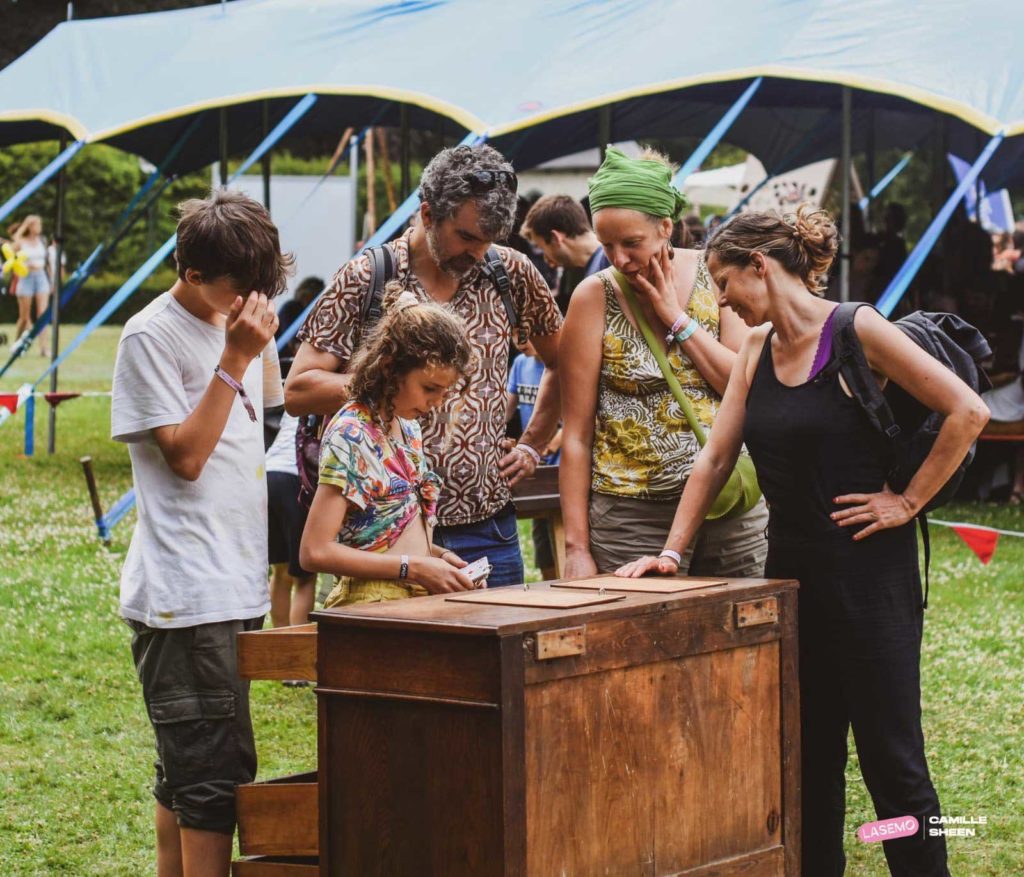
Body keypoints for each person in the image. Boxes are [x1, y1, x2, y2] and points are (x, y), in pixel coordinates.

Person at [618, 206, 989, 877]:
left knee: (894, 764)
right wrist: (671, 553)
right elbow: (716, 457)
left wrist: (906, 500)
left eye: (726, 281)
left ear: (761, 264)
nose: (721, 298)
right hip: (791, 579)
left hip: (871, 582)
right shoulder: (756, 349)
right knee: (807, 760)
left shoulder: (856, 329)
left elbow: (967, 410)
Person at [111, 189, 291, 877]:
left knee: (184, 772)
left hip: (234, 580)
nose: (249, 300)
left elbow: (268, 425)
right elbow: (186, 458)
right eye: (237, 288)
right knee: (213, 779)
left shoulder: (238, 320)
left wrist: (255, 349)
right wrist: (235, 359)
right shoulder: (149, 336)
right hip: (187, 594)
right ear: (190, 273)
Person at [286, 144, 563, 587]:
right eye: (467, 237)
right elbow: (298, 390)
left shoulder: (510, 273)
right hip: (385, 541)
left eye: (490, 241)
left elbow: (564, 361)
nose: (478, 252)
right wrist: (385, 382)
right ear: (428, 213)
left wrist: (534, 443)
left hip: (486, 526)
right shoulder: (367, 277)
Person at [559, 146, 768, 579]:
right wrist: (577, 546)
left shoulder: (716, 278)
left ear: (665, 227)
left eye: (631, 243)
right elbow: (576, 435)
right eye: (606, 245)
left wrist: (677, 318)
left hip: (728, 505)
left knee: (743, 638)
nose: (618, 259)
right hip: (632, 517)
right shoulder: (593, 298)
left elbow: (746, 385)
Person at [300, 284, 478, 605]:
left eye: (444, 392)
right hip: (371, 602)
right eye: (428, 388)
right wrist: (414, 568)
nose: (436, 402)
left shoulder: (408, 427)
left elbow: (383, 536)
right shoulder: (353, 433)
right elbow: (314, 551)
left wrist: (437, 559)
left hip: (411, 597)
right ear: (389, 367)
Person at [506, 337, 561, 580]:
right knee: (542, 542)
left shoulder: (560, 362)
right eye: (515, 333)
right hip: (534, 465)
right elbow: (506, 410)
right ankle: (551, 586)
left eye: (526, 334)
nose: (519, 341)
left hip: (557, 463)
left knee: (560, 530)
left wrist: (548, 445)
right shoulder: (520, 364)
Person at [266, 410, 317, 636]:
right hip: (297, 480)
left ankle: (278, 648)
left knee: (280, 571)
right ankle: (296, 660)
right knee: (305, 577)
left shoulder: (297, 394)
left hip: (269, 474)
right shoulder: (326, 394)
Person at [12, 215, 51, 355]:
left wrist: (50, 281)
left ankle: (44, 349)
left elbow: (47, 263)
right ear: (30, 226)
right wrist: (23, 225)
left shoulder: (42, 240)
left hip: (41, 277)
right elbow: (13, 247)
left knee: (42, 315)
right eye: (36, 224)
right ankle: (17, 343)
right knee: (24, 317)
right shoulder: (21, 241)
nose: (39, 227)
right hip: (26, 277)